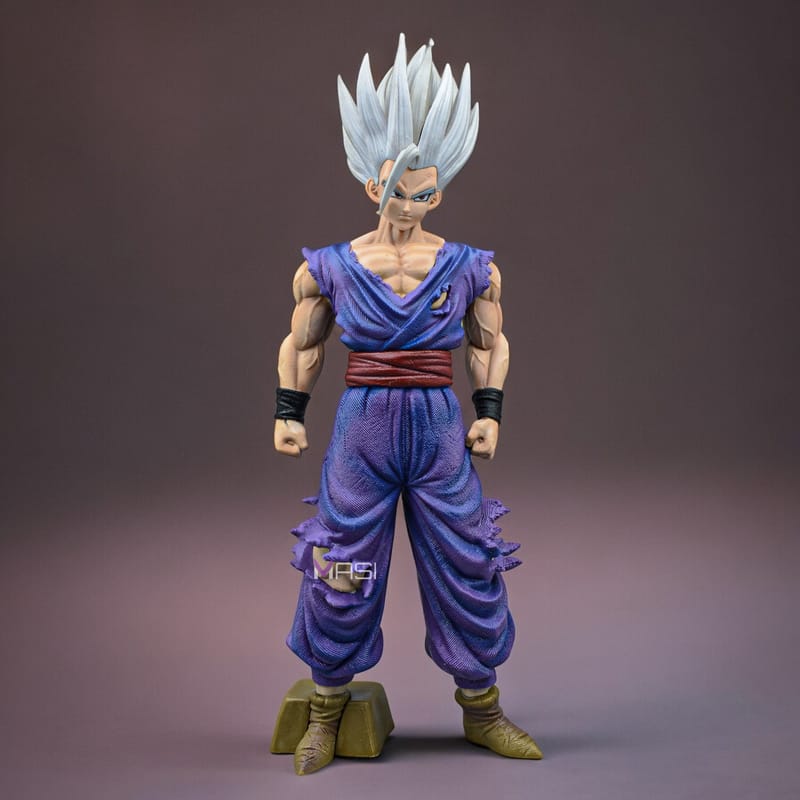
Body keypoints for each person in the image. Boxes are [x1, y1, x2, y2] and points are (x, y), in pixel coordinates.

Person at [274, 34, 541, 775]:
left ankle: (483, 710)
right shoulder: (329, 267)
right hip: (362, 427)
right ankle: (326, 712)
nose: (412, 207)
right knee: (342, 562)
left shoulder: (468, 266)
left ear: (439, 192)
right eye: (400, 193)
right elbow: (302, 342)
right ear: (372, 186)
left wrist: (489, 411)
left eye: (426, 194)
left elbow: (489, 342)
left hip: (438, 426)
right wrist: (289, 412)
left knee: (466, 558)